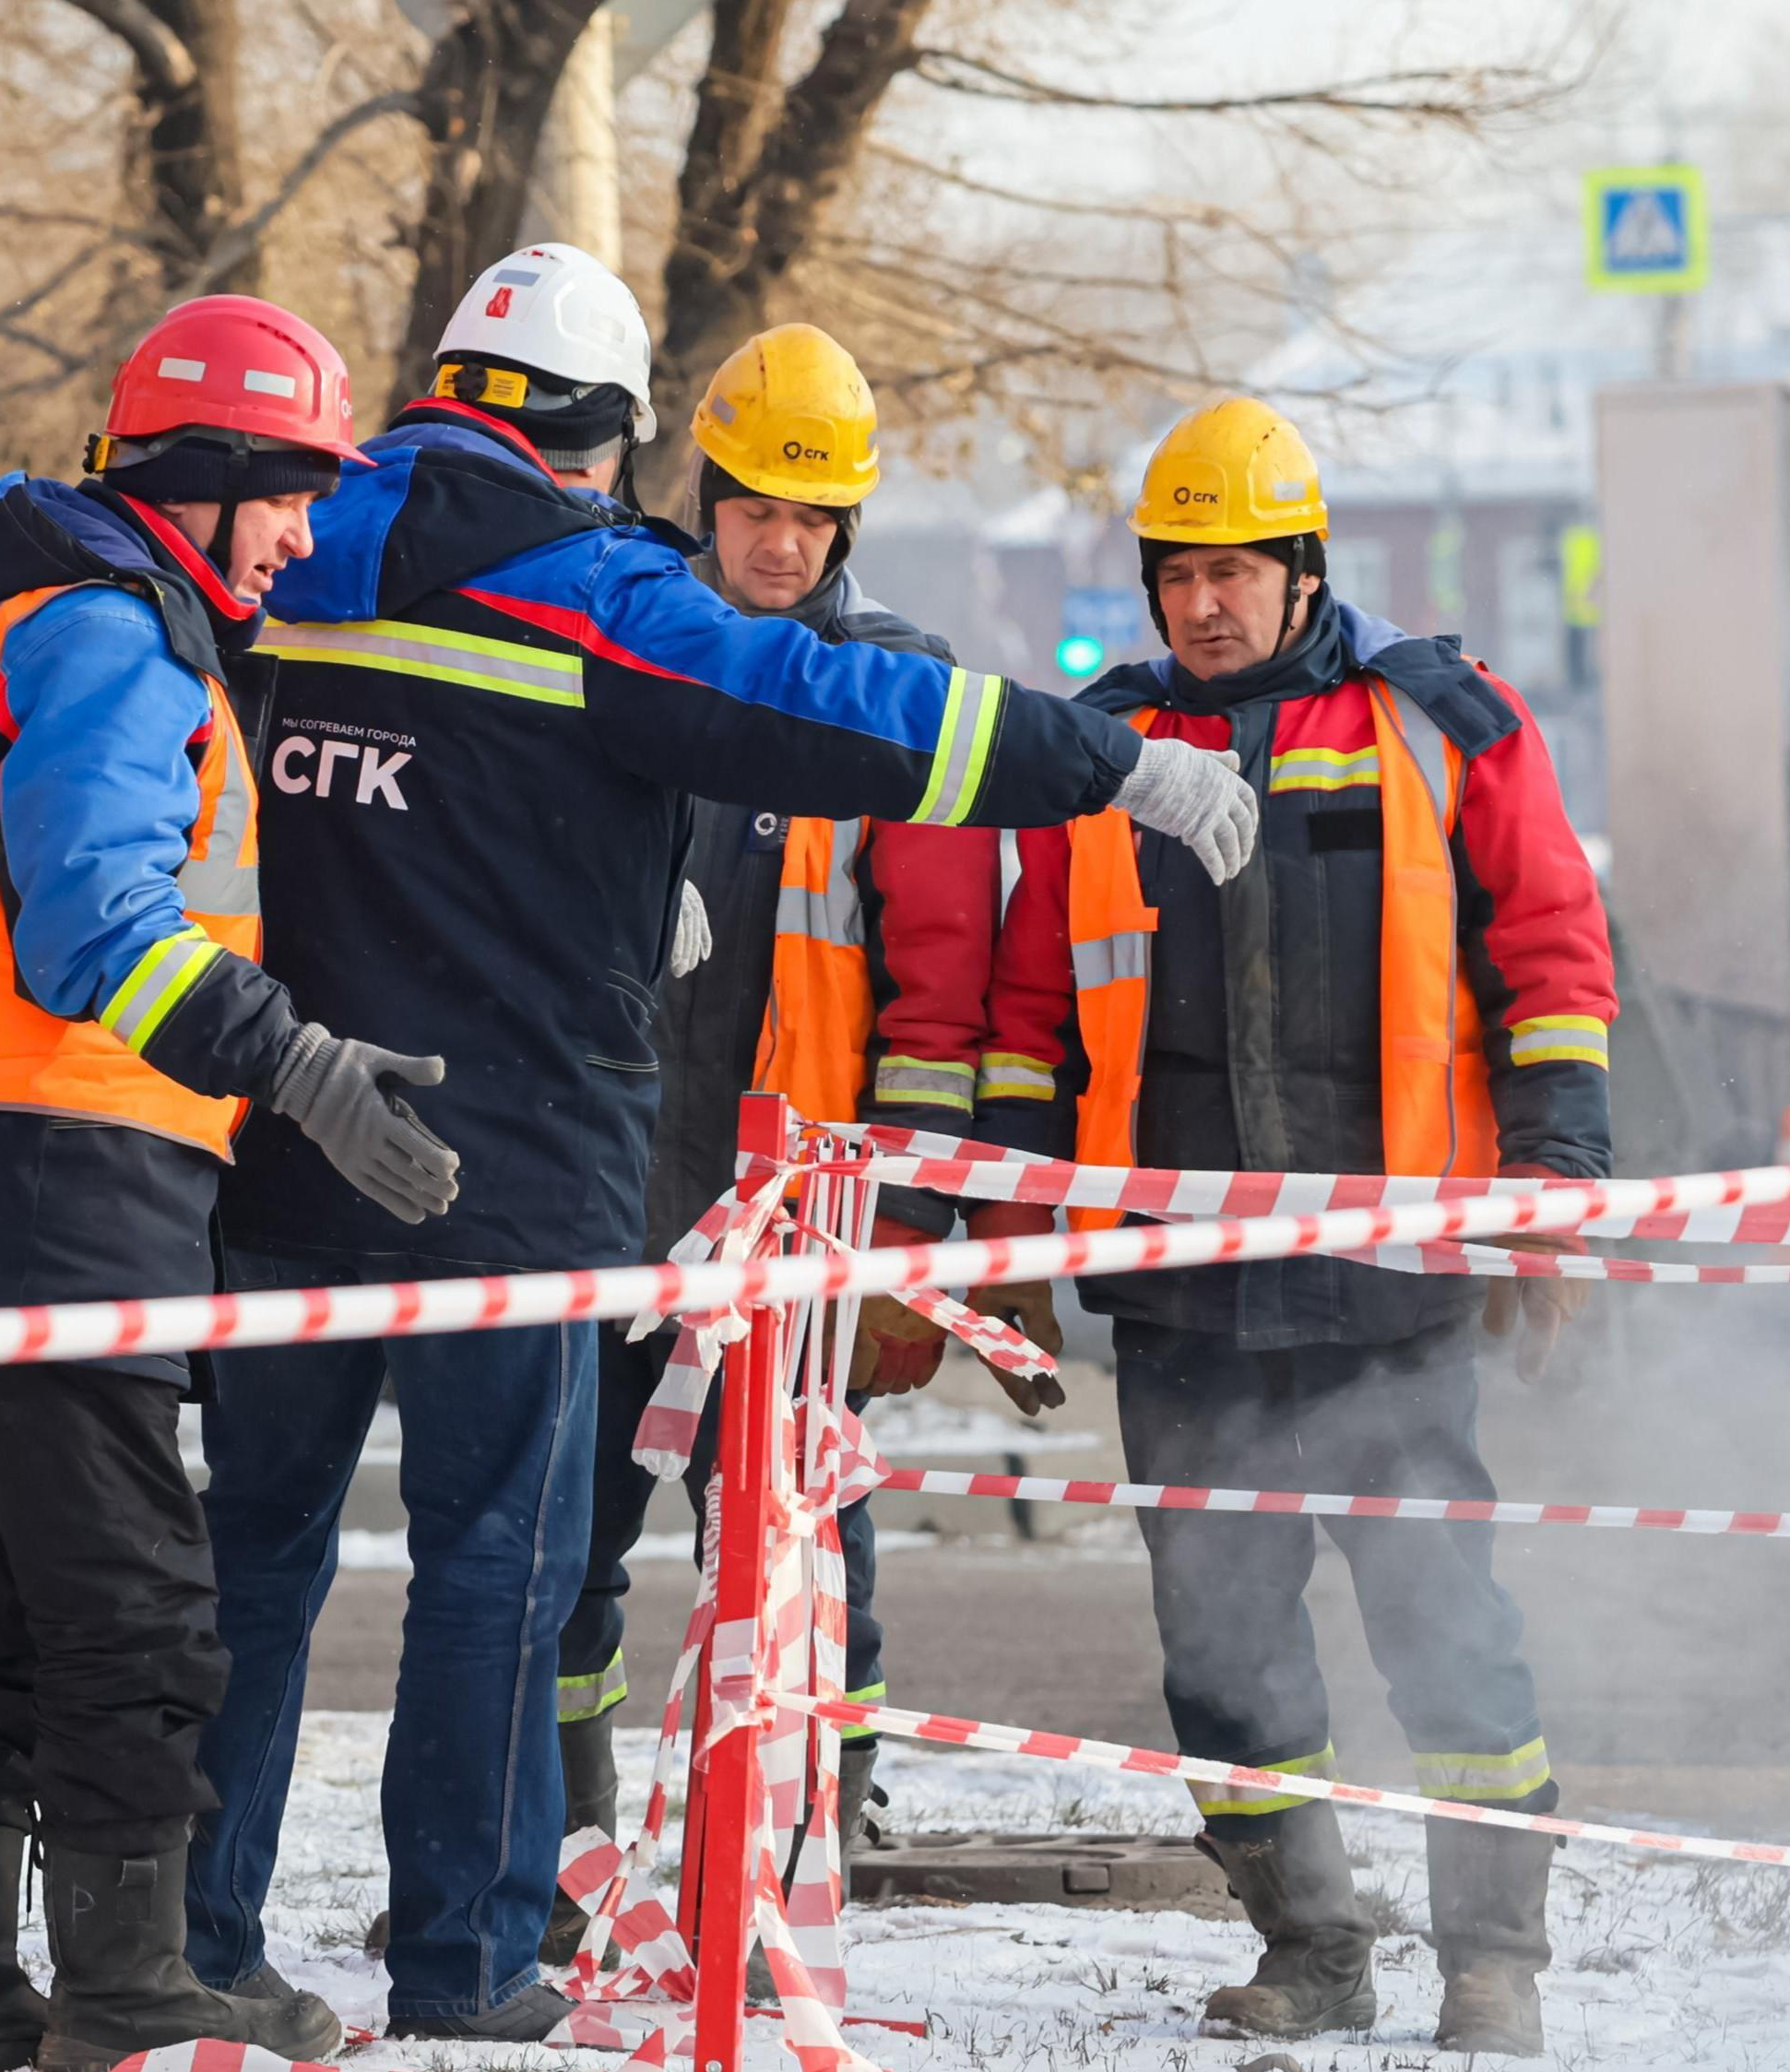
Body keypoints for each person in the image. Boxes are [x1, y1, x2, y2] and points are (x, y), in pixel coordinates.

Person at [182, 243, 1262, 2042]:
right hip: (503, 1167)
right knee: (494, 1568)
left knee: (253, 1559)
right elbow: (849, 712)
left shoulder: (292, 554)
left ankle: (193, 1934)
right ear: (609, 440)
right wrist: (1106, 764)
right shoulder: (590, 589)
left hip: (286, 1131)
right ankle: (462, 1956)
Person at [0, 295, 464, 2072]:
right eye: (294, 492)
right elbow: (95, 922)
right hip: (45, 1182)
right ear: (216, 471)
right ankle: (128, 1992)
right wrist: (298, 1062)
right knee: (137, 1624)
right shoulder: (112, 637)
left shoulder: (13, 620)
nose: (309, 533)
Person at [985, 397, 1613, 2057]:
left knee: (1447, 1636)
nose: (1202, 603)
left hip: (1390, 1281)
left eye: (1234, 571)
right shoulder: (1097, 752)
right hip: (1180, 1294)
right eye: (1175, 573)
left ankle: (1492, 1963)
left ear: (1301, 567)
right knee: (1221, 1646)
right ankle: (1308, 1944)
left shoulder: (1437, 723)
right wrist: (1004, 1239)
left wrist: (1551, 1187)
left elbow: (1546, 957)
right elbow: (1032, 1015)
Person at [545, 325, 1073, 1954]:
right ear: (703, 497)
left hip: (793, 1229)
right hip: (609, 1200)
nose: (776, 542)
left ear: (847, 529)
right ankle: (560, 1858)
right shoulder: (629, 658)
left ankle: (800, 1864)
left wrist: (902, 1246)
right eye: (752, 506)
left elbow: (935, 1003)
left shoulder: (885, 703)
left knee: (800, 1556)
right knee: (560, 1542)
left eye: (810, 517)